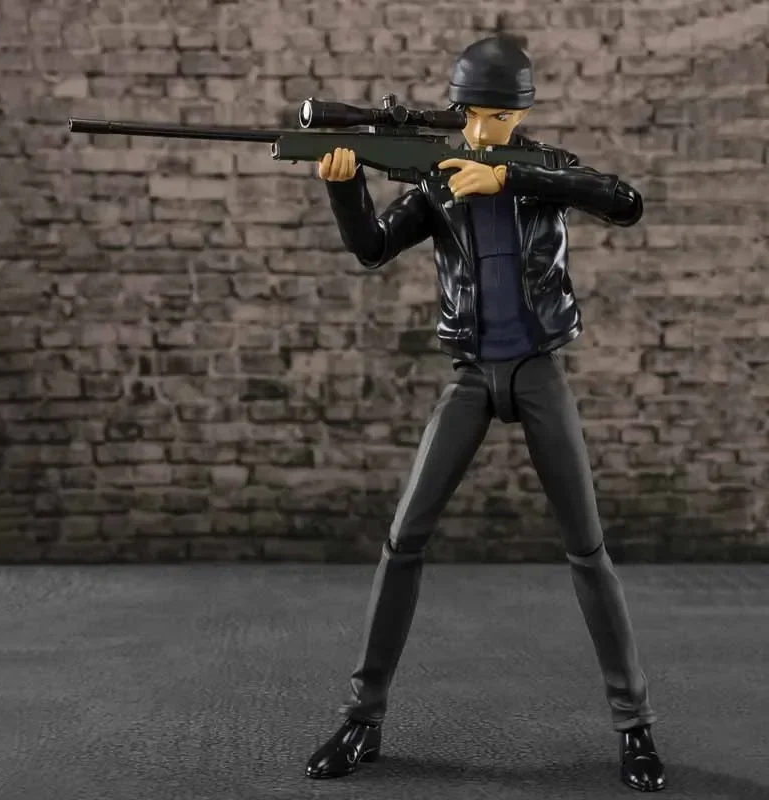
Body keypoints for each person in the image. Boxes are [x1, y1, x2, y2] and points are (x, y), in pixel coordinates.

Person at [304, 34, 666, 793]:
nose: (481, 128)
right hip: (471, 375)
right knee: (403, 539)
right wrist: (345, 188)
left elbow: (624, 201)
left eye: (497, 117)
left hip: (537, 371)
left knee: (587, 548)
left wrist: (508, 174)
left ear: (519, 116)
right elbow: (373, 248)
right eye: (471, 114)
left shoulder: (547, 171)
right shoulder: (439, 183)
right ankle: (362, 717)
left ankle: (634, 726)